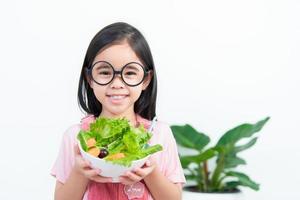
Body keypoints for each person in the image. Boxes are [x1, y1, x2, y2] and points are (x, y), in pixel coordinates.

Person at [51, 22, 186, 200]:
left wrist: (150, 172)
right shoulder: (77, 137)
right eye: (105, 72)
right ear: (90, 78)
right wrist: (79, 171)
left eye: (130, 73)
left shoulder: (159, 134)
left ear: (146, 80)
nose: (116, 83)